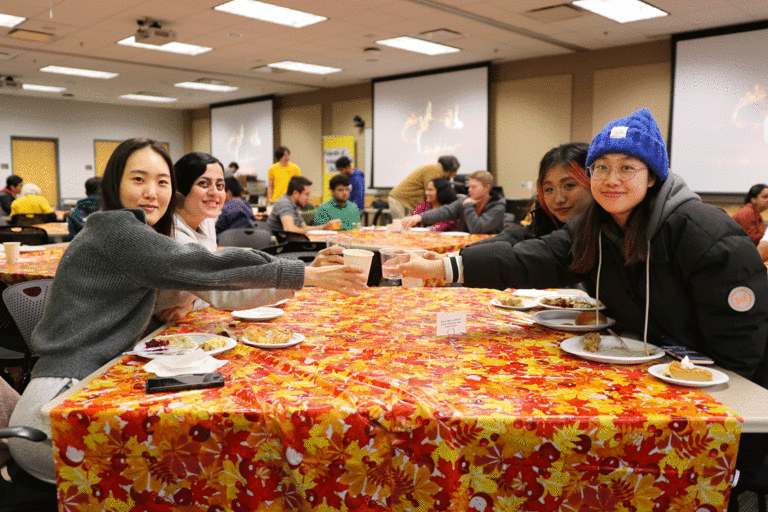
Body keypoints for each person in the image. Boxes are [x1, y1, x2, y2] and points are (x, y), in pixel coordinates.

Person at [7, 138, 366, 484]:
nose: (152, 192)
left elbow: (203, 284)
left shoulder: (133, 234)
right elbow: (209, 267)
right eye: (138, 179)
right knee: (201, 458)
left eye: (162, 182)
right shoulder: (118, 233)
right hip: (55, 418)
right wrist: (304, 273)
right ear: (115, 184)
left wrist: (183, 298)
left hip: (84, 392)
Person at [401, 108, 768, 385]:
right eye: (601, 168)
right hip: (650, 371)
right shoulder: (594, 227)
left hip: (715, 386)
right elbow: (530, 256)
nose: (612, 180)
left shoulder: (702, 231)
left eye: (627, 168)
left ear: (652, 176)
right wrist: (445, 267)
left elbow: (741, 345)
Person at [154, 152, 294, 323]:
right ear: (180, 189)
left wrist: (191, 306)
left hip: (181, 318)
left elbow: (209, 290)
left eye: (220, 186)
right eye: (203, 184)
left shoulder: (206, 222)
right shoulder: (173, 236)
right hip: (152, 328)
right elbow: (222, 292)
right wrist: (300, 277)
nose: (214, 193)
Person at [468, 143, 592, 248]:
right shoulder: (546, 221)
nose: (559, 199)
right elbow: (519, 235)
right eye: (549, 189)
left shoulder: (604, 235)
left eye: (569, 185)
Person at [401, 170, 505, 234]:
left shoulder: (497, 206)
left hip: (491, 248)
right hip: (469, 247)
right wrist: (419, 217)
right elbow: (446, 211)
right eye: (469, 187)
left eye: (474, 187)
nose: (469, 190)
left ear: (487, 188)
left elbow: (477, 229)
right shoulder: (466, 200)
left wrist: (468, 206)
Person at [388, 155, 460, 219]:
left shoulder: (435, 168)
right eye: (454, 173)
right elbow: (434, 195)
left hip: (401, 199)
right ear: (451, 169)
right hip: (400, 200)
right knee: (403, 228)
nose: (453, 176)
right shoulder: (435, 170)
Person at [266, 176, 337, 234]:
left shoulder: (294, 204)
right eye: (306, 194)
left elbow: (304, 227)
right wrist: (312, 231)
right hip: (278, 247)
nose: (308, 198)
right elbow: (289, 230)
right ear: (296, 193)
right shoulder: (284, 203)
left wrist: (324, 227)